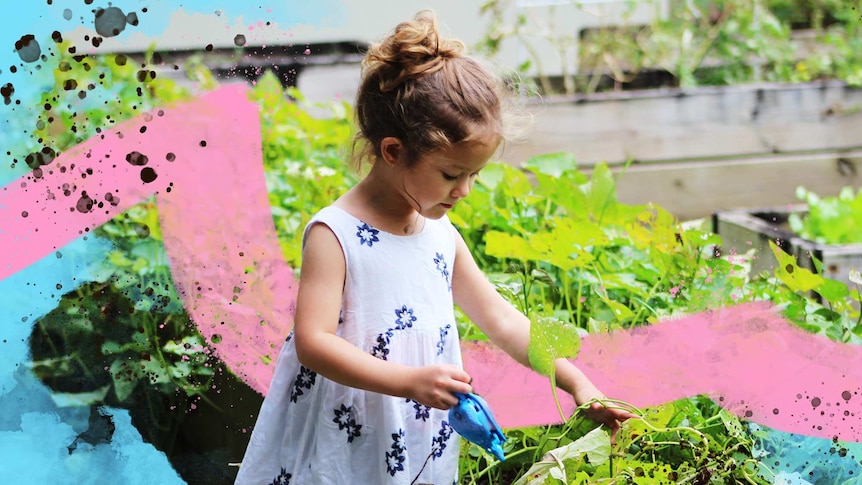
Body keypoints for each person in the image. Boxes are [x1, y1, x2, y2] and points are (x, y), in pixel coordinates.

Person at [234, 10, 634, 485]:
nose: (464, 190)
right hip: (346, 430)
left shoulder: (439, 235)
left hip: (412, 433)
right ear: (393, 151)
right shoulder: (335, 234)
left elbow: (504, 321)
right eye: (451, 174)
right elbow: (313, 343)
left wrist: (576, 382)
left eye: (474, 175)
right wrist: (410, 382)